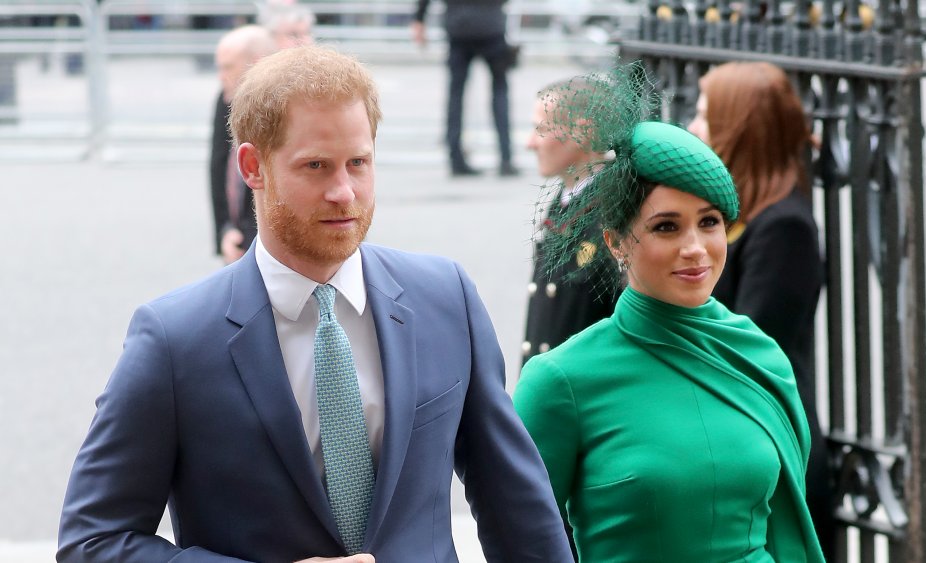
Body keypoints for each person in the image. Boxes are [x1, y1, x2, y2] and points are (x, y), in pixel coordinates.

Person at [58, 45, 574, 563]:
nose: (344, 192)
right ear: (252, 166)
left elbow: (517, 508)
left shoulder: (445, 297)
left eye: (359, 163)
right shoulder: (173, 339)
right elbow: (92, 541)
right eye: (317, 167)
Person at [512, 71, 825, 559]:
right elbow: (523, 543)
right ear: (615, 242)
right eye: (666, 227)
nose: (695, 249)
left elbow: (787, 526)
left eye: (709, 222)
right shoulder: (561, 381)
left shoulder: (759, 355)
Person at [688, 60, 834, 560]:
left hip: (767, 446)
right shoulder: (733, 216)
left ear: (739, 128)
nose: (693, 129)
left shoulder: (784, 227)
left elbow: (748, 347)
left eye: (706, 117)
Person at [521, 77, 620, 363]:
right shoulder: (565, 201)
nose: (530, 143)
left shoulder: (609, 213)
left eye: (540, 129)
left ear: (582, 132)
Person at [410, 0, 518, 177]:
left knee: (455, 96)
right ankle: (505, 158)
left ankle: (455, 158)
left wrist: (419, 19)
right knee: (499, 92)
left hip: (458, 26)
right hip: (491, 25)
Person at [209, 25, 276, 264]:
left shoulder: (285, 108)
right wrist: (224, 231)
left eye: (227, 67)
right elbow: (217, 168)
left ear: (255, 63)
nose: (220, 75)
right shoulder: (225, 97)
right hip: (237, 239)